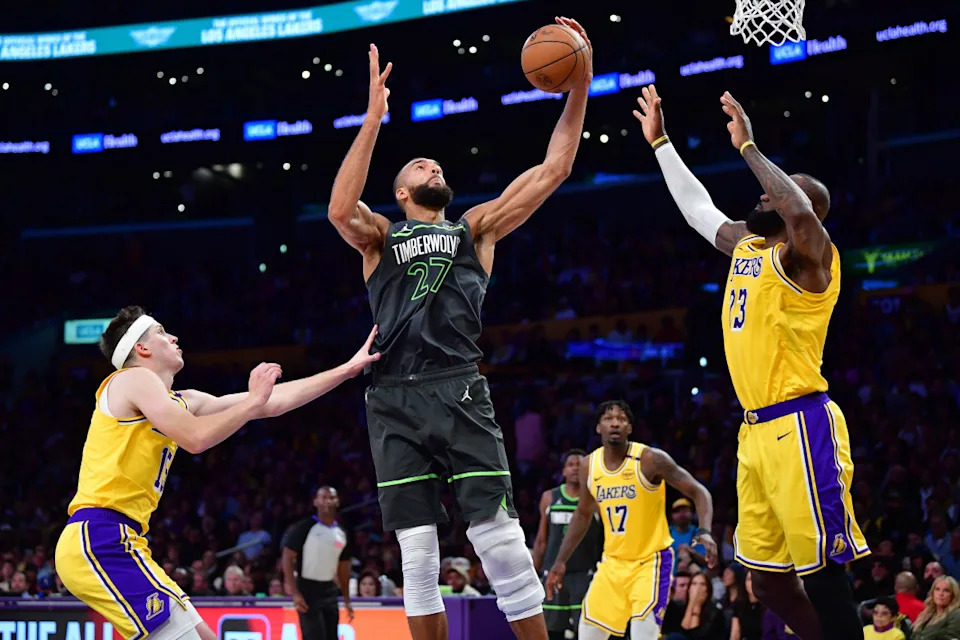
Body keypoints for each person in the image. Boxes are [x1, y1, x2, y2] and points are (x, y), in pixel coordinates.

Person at [326, 17, 593, 640]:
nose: (432, 163)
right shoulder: (381, 236)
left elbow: (553, 169)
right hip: (393, 397)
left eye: (436, 162)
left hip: (459, 386)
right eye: (420, 163)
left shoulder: (475, 228)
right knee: (417, 559)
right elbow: (340, 209)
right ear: (400, 190)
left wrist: (578, 83)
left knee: (499, 544)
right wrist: (371, 121)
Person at [633, 84, 870, 640]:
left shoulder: (810, 259)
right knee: (765, 583)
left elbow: (798, 208)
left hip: (801, 424)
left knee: (826, 577)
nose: (760, 198)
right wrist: (661, 143)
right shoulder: (748, 247)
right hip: (755, 431)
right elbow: (697, 211)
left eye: (773, 197)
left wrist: (750, 149)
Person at [54, 306, 379, 640]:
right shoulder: (132, 379)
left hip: (126, 541)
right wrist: (253, 402)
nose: (174, 337)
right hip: (100, 538)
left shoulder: (183, 400)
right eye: (163, 332)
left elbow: (273, 402)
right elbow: (196, 437)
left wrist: (346, 370)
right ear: (142, 348)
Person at [545, 400, 717, 640]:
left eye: (622, 419)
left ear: (630, 428)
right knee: (587, 634)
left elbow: (700, 492)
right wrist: (560, 561)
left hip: (651, 562)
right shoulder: (589, 465)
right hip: (612, 564)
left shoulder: (650, 459)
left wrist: (705, 530)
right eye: (608, 418)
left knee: (643, 635)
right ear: (598, 428)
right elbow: (583, 514)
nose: (615, 422)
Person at [533, 448, 603, 640]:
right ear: (563, 471)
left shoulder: (596, 500)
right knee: (552, 630)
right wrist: (534, 570)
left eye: (579, 465)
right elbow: (541, 539)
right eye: (570, 465)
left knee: (585, 630)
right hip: (553, 573)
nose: (575, 469)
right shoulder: (549, 497)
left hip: (583, 572)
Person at [282, 487, 354, 640]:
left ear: (338, 501)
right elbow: (287, 557)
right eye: (323, 497)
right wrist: (295, 592)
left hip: (330, 591)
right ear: (315, 502)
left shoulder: (342, 533)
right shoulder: (305, 527)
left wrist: (347, 600)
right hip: (307, 590)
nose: (327, 501)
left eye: (331, 497)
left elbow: (343, 569)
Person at [670, 499, 707, 570]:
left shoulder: (700, 534)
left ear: (692, 514)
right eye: (677, 511)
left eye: (685, 511)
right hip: (670, 577)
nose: (681, 514)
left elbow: (708, 562)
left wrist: (690, 551)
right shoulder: (666, 532)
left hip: (695, 578)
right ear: (672, 515)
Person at [730, 571, 765, 640]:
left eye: (755, 579)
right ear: (744, 583)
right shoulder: (739, 605)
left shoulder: (769, 606)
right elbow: (735, 634)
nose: (753, 583)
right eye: (750, 579)